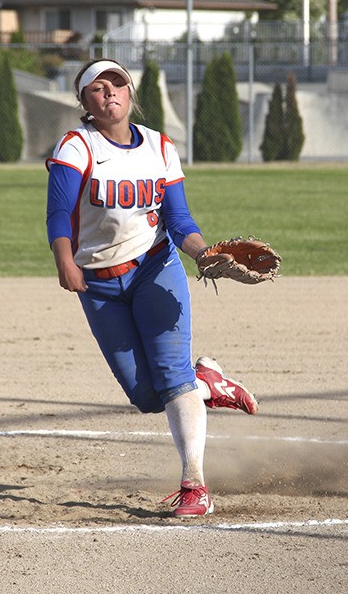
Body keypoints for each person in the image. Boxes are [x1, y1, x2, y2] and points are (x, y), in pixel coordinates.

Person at [46, 58, 258, 517]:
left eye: (117, 84)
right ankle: (208, 381)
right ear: (84, 102)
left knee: (172, 379)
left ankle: (194, 486)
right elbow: (59, 213)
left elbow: (178, 220)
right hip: (99, 283)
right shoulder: (76, 147)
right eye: (97, 88)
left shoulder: (161, 148)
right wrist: (63, 259)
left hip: (154, 268)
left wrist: (202, 254)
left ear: (130, 93)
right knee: (146, 395)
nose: (110, 94)